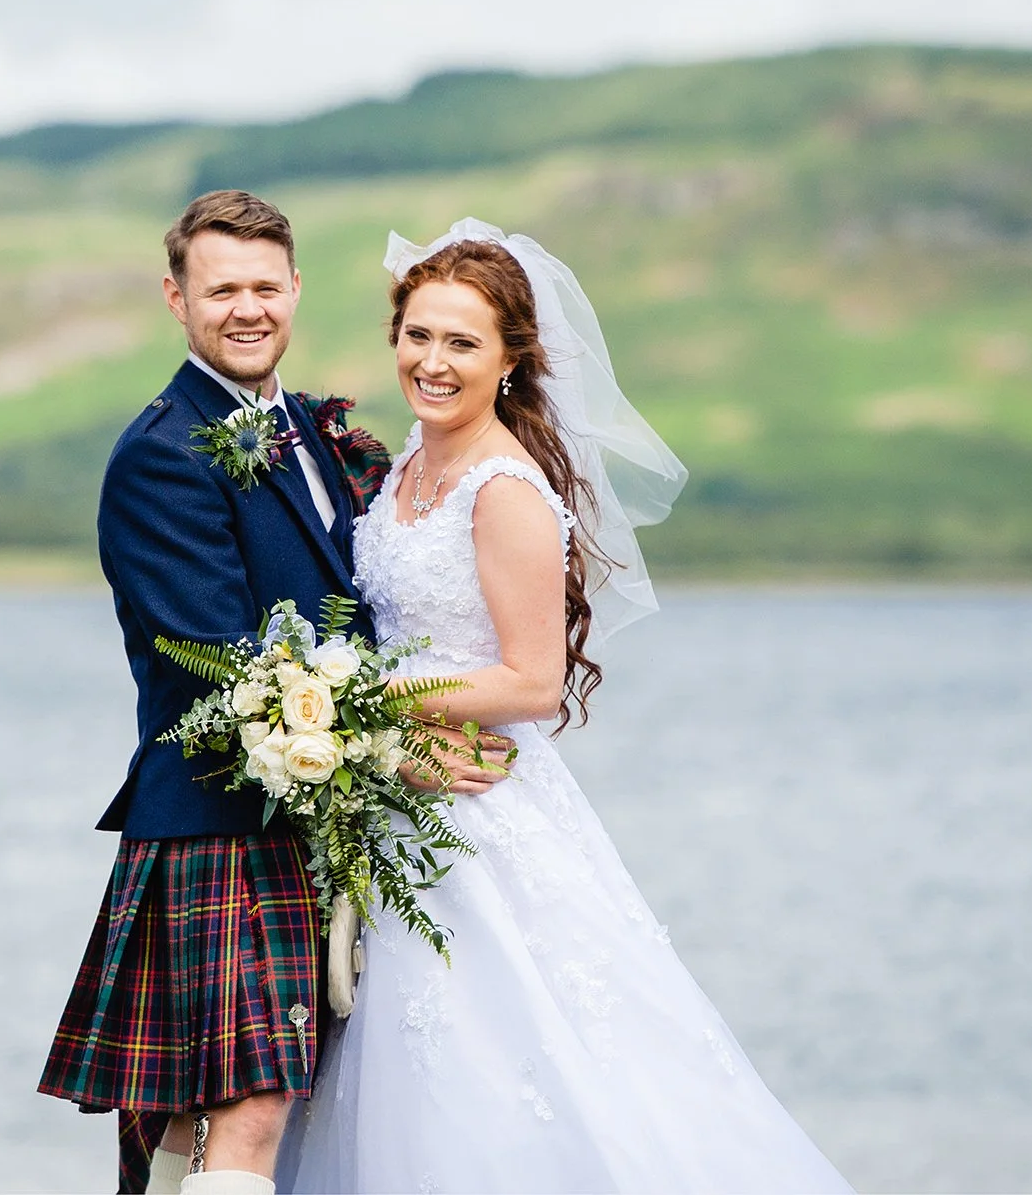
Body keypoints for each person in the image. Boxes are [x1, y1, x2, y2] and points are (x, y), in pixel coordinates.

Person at [278, 219, 851, 1193]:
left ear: (509, 361)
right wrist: (364, 725)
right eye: (419, 335)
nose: (433, 361)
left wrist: (360, 698)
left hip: (479, 810)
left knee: (510, 1065)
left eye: (462, 343)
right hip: (396, 798)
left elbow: (533, 681)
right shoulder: (409, 467)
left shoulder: (504, 488)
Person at [36, 191, 443, 1195]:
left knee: (189, 1127)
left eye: (266, 286)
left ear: (296, 289)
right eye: (222, 289)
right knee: (253, 1106)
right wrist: (396, 748)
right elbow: (220, 659)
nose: (247, 307)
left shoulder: (314, 431)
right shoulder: (162, 455)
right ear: (177, 299)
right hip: (219, 816)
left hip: (307, 819)